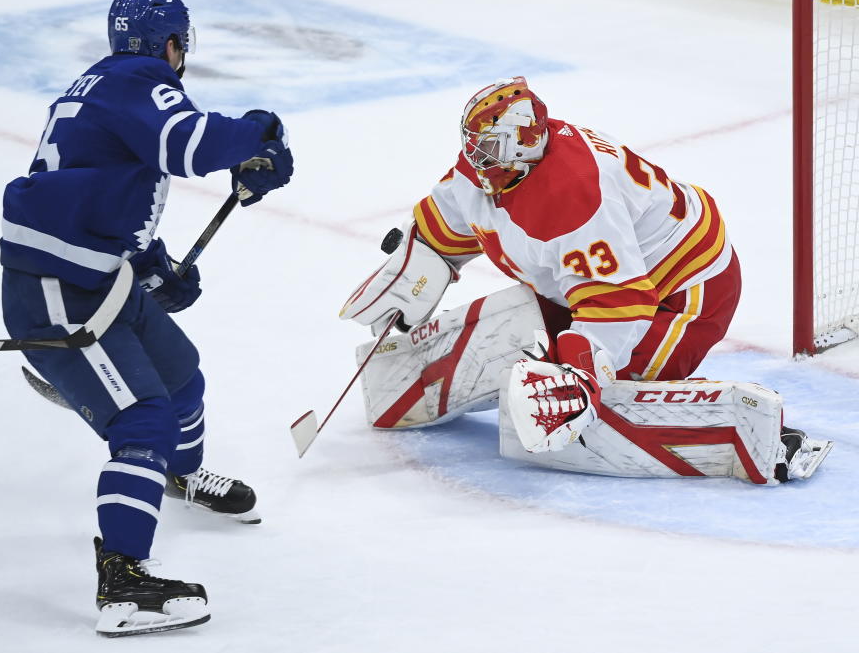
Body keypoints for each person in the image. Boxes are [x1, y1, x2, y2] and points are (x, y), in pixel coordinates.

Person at [340, 76, 831, 485]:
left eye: (489, 148)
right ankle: (406, 385)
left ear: (526, 141)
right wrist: (419, 262)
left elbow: (619, 304)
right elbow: (452, 216)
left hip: (677, 297)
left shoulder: (575, 193)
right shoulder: (494, 165)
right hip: (590, 287)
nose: (477, 159)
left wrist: (580, 369)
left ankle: (745, 430)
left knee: (566, 413)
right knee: (516, 333)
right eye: (473, 146)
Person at [0, 0, 293, 636]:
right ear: (172, 45)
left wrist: (151, 263)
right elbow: (185, 146)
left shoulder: (106, 85)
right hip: (59, 287)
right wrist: (257, 136)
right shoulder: (139, 78)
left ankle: (178, 477)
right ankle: (124, 579)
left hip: (94, 272)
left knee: (182, 376)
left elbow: (105, 186)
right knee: (144, 418)